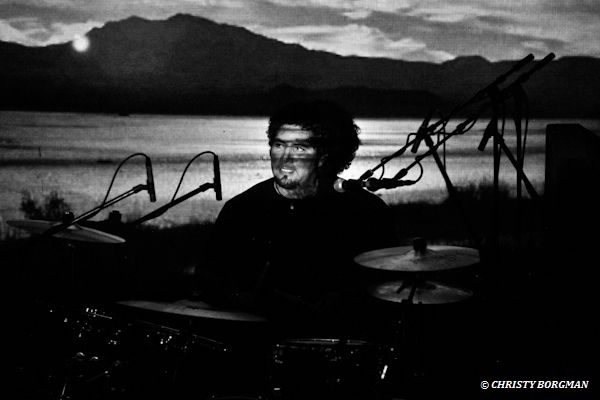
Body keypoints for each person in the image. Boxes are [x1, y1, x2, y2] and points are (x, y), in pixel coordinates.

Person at [199, 99, 398, 337]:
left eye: (299, 148)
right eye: (279, 145)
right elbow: (209, 281)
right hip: (257, 339)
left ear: (325, 156)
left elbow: (390, 286)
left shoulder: (366, 211)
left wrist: (347, 299)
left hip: (337, 340)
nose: (285, 158)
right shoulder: (242, 209)